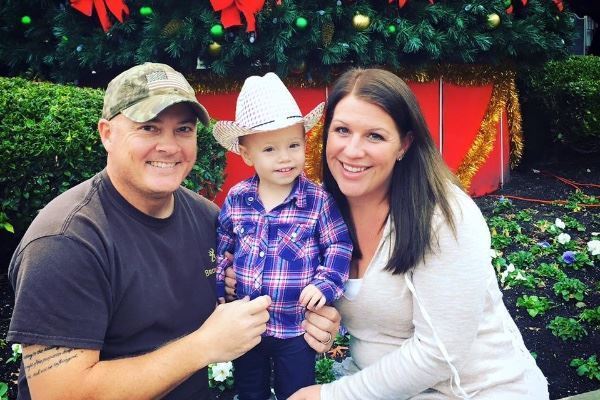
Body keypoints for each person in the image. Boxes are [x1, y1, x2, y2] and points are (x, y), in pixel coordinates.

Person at [228, 68, 549, 399]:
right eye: (342, 130)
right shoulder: (320, 208)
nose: (353, 150)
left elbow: (440, 353)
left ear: (404, 145)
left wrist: (330, 396)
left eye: (375, 136)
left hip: (476, 391)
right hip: (381, 387)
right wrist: (320, 319)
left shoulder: (443, 216)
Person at [6, 62, 277, 400]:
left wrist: (313, 317)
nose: (169, 146)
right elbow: (58, 394)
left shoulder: (208, 218)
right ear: (107, 133)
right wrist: (203, 346)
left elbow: (242, 297)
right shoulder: (66, 242)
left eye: (183, 129)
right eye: (149, 128)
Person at [212, 72, 352, 400]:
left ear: (305, 143)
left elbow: (338, 245)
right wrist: (221, 285)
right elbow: (223, 245)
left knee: (297, 391)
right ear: (247, 155)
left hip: (295, 327)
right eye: (270, 149)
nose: (285, 157)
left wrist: (324, 284)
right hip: (248, 325)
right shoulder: (238, 198)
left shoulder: (317, 201)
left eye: (293, 145)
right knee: (250, 389)